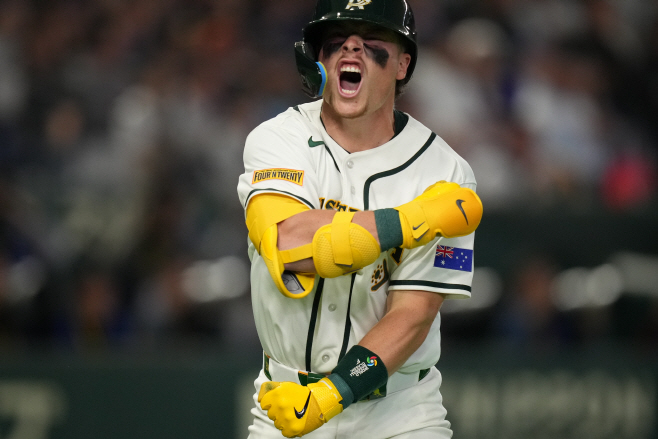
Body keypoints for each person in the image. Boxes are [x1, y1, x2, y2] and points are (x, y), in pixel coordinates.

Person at [237, 0, 483, 437]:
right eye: (336, 39)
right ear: (317, 59)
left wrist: (333, 393)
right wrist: (412, 220)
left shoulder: (446, 172)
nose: (351, 47)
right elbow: (291, 246)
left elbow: (412, 315)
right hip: (283, 401)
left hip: (400, 414)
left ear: (402, 64)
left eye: (372, 40)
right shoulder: (278, 139)